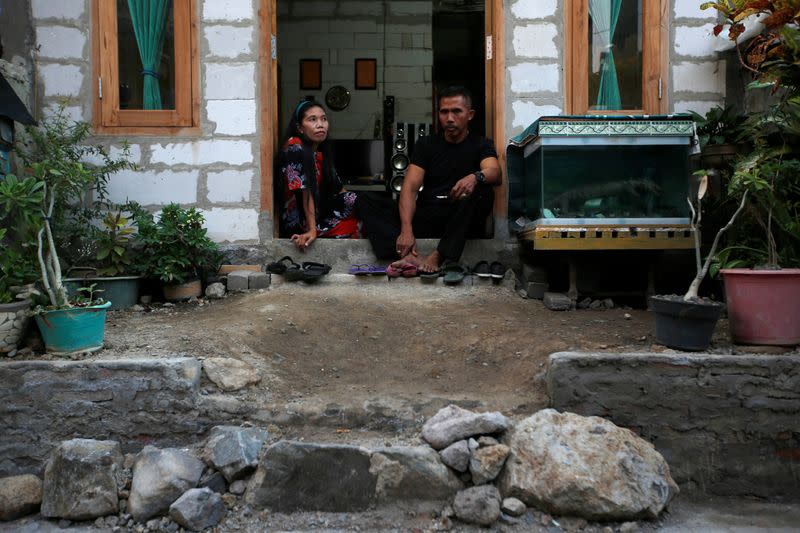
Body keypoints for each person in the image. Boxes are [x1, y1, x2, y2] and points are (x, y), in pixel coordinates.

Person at [357, 86, 502, 272]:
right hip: (429, 214)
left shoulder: (481, 144)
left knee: (483, 191)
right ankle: (407, 257)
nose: (449, 118)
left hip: (459, 219)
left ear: (470, 114)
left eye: (456, 111)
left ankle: (438, 256)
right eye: (444, 112)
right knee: (366, 199)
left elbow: (495, 172)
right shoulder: (427, 145)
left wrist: (475, 177)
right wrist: (406, 229)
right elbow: (409, 188)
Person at [278, 99, 359, 250]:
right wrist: (312, 230)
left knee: (366, 205)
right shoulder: (294, 145)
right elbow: (305, 190)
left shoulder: (321, 152)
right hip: (302, 220)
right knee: (360, 224)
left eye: (324, 119)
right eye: (312, 119)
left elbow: (339, 189)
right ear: (300, 128)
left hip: (320, 211)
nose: (320, 124)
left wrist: (359, 206)